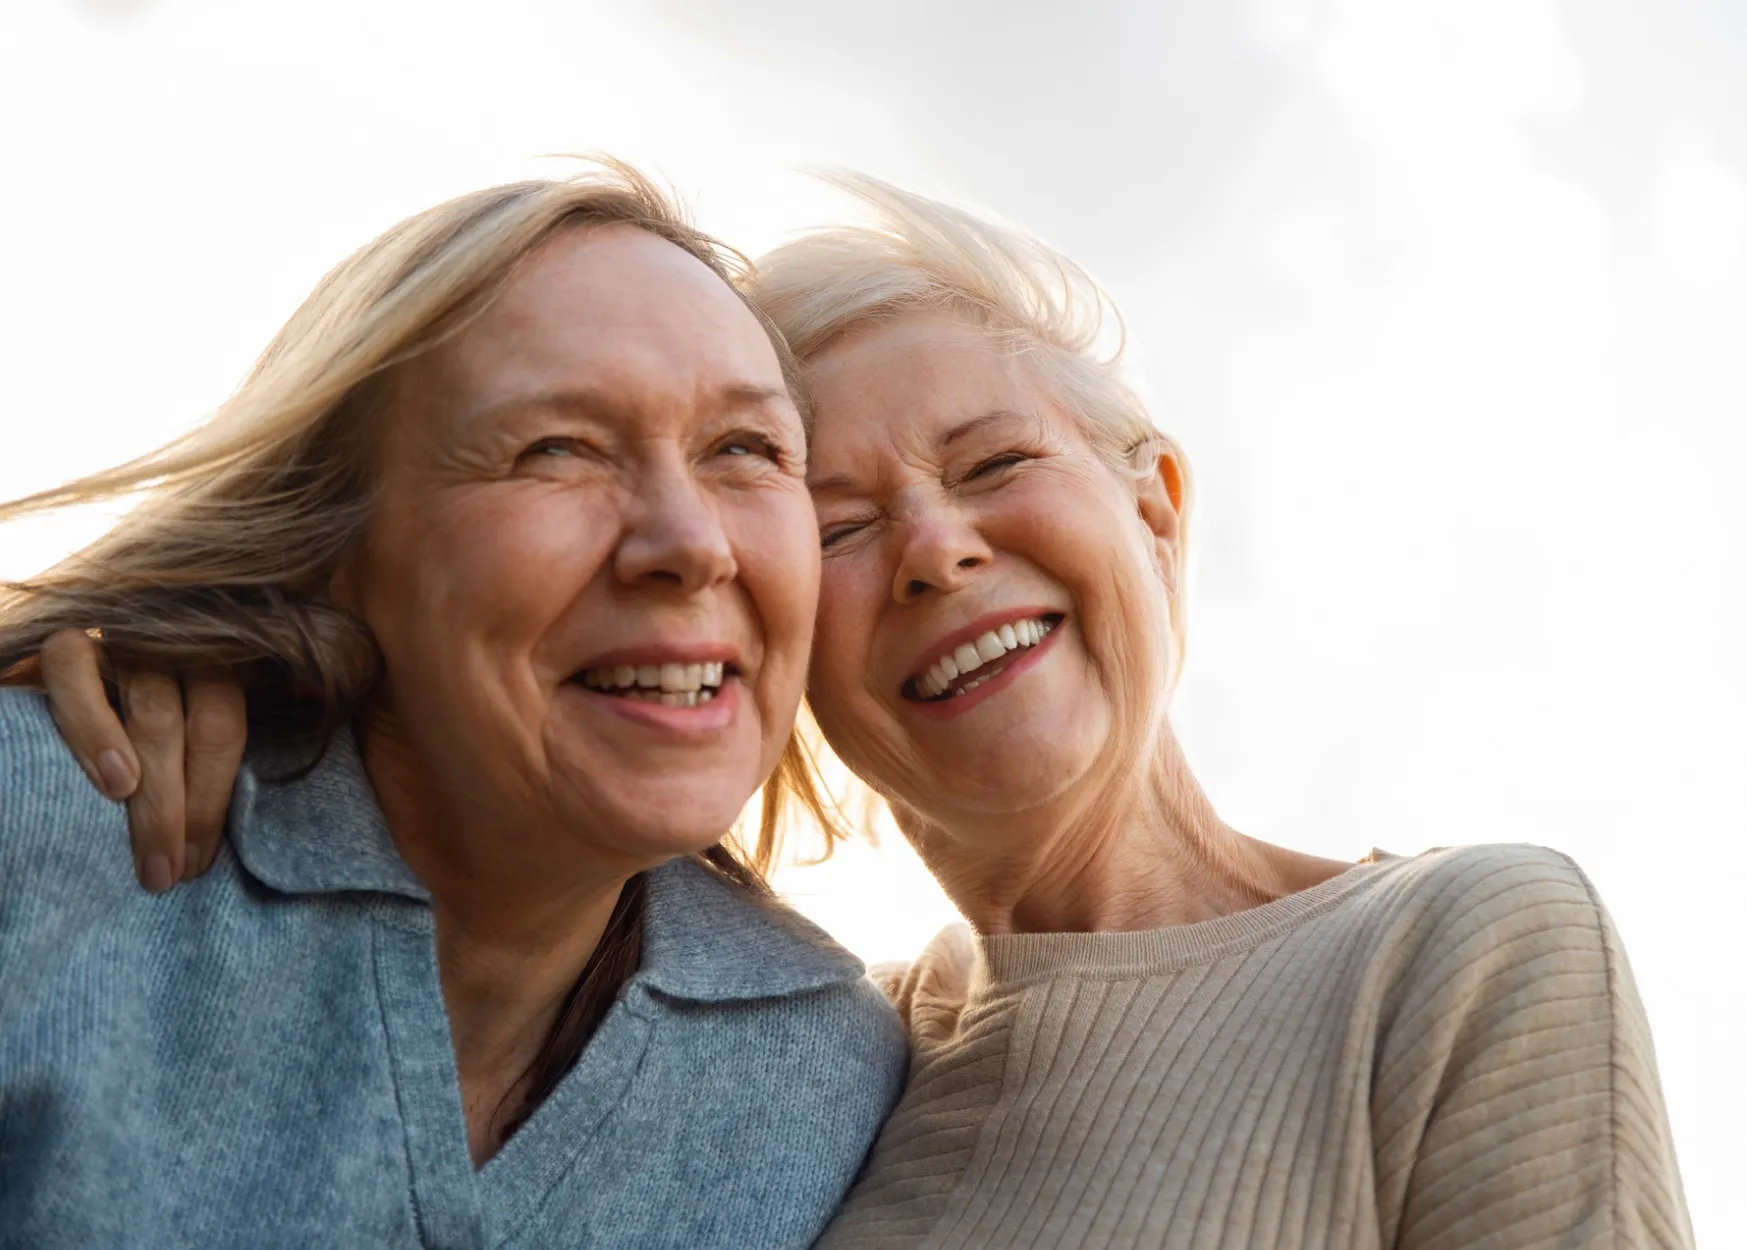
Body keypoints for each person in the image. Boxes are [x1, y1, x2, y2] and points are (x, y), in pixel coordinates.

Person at [36, 175, 1694, 1249]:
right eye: (830, 517)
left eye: (993, 464)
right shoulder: (845, 1056)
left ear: (1160, 511)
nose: (934, 549)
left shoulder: (1462, 949)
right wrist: (196, 652)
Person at [0, 163, 904, 1250]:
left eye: (744, 451)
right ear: (340, 546)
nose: (692, 542)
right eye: (555, 449)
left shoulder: (824, 1073)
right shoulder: (46, 834)